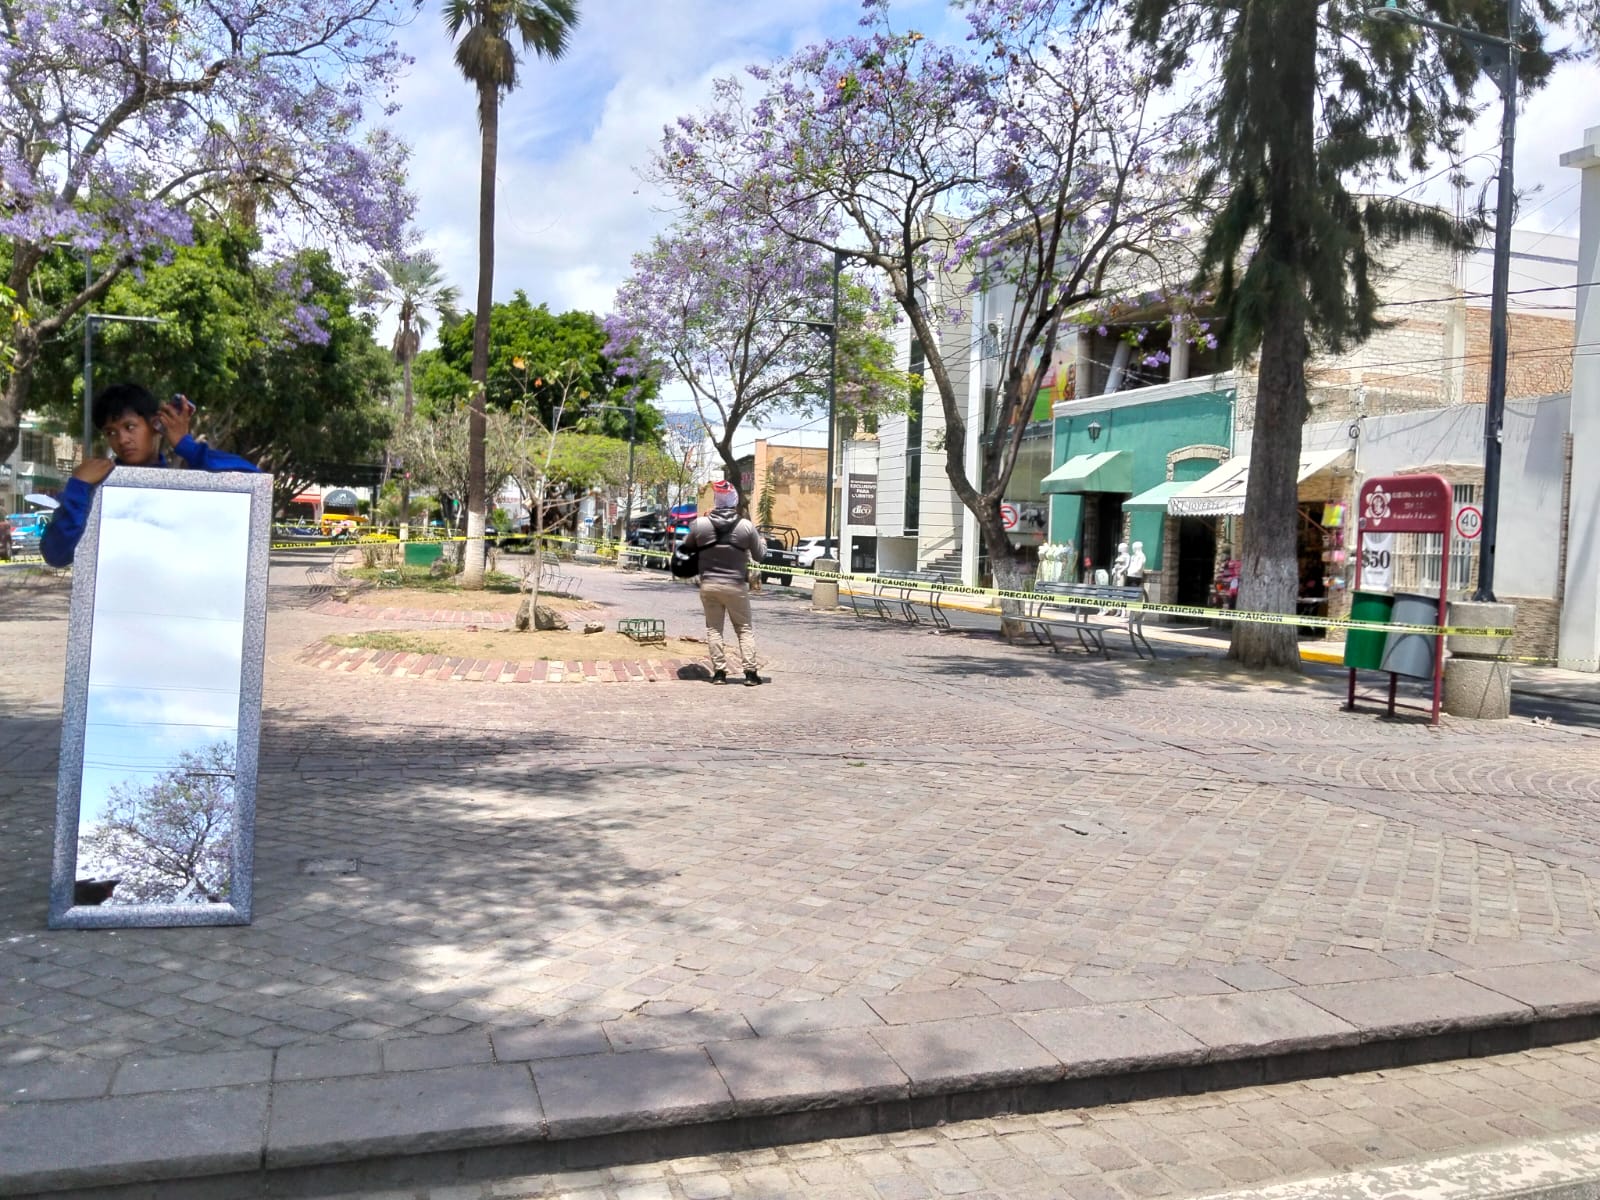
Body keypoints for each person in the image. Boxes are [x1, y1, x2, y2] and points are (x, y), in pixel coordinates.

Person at [42, 383, 260, 567]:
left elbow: (254, 486)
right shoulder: (94, 487)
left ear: (156, 425)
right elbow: (56, 555)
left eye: (130, 427)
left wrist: (187, 447)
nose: (122, 439)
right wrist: (78, 487)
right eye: (111, 432)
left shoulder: (185, 486)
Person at [685, 480, 766, 686]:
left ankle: (719, 673)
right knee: (744, 629)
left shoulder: (701, 524)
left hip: (709, 585)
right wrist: (762, 541)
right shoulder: (745, 526)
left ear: (716, 501)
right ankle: (750, 673)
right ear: (734, 501)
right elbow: (760, 555)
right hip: (735, 585)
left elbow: (688, 548)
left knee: (714, 629)